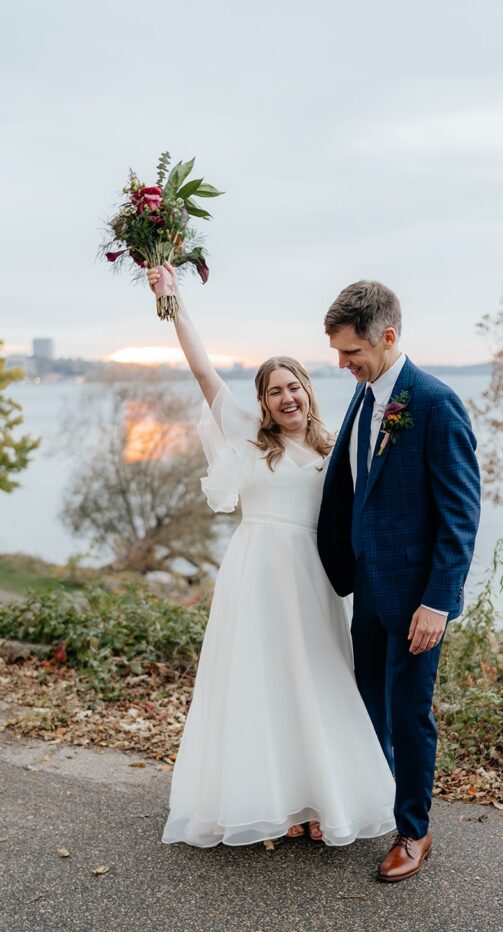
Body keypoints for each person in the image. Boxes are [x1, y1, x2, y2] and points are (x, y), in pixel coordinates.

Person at [146, 262, 396, 848]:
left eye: (295, 385)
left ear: (309, 391)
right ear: (262, 402)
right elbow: (203, 371)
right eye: (274, 390)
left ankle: (319, 800)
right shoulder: (246, 437)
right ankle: (270, 801)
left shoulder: (337, 449)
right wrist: (171, 298)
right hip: (255, 573)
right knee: (260, 683)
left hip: (311, 580)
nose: (287, 396)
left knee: (316, 680)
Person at [318, 280, 481, 881]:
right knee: (368, 710)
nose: (342, 364)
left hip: (416, 600)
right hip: (367, 589)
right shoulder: (365, 397)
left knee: (411, 716)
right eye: (337, 352)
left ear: (388, 337)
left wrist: (438, 603)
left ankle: (413, 830)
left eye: (351, 352)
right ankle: (368, 807)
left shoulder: (434, 403)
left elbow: (461, 515)